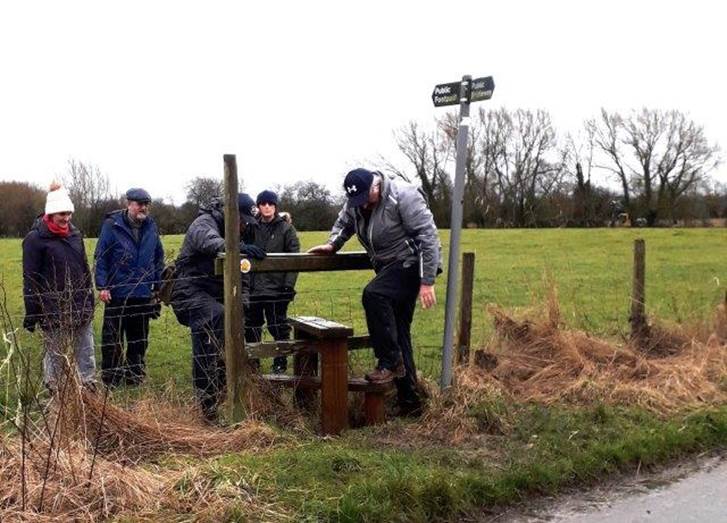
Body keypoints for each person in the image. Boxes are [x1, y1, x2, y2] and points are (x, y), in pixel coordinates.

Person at [308, 168, 441, 416]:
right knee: (400, 332)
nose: (362, 207)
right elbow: (344, 222)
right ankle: (410, 403)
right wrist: (332, 243)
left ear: (376, 186)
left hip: (409, 264)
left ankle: (389, 362)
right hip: (386, 268)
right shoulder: (356, 201)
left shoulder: (403, 196)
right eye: (356, 202)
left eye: (365, 200)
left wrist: (427, 281)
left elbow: (428, 236)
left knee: (374, 294)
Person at [170, 194, 266, 421]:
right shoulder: (203, 223)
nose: (243, 226)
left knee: (232, 330)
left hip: (219, 295)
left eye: (247, 223)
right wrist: (237, 247)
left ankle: (227, 394)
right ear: (229, 214)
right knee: (213, 325)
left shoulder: (243, 232)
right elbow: (209, 242)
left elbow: (242, 275)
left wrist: (241, 307)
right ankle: (207, 405)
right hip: (190, 291)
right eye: (241, 221)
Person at [22, 183, 97, 392]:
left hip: (80, 302)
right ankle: (54, 390)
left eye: (69, 214)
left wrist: (89, 298)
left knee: (85, 351)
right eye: (62, 214)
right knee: (54, 353)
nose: (66, 219)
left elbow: (84, 267)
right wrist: (32, 311)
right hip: (51, 305)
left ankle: (88, 388)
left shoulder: (75, 234)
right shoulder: (35, 239)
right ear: (51, 213)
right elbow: (30, 277)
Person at [94, 188, 164, 387]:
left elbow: (158, 257)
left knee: (139, 339)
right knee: (112, 338)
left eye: (146, 204)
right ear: (128, 204)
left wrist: (157, 286)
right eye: (139, 203)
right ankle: (111, 378)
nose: (143, 208)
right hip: (117, 293)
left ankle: (134, 376)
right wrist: (103, 286)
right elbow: (101, 257)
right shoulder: (112, 225)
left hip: (142, 293)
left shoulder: (151, 226)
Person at [245, 190, 300, 374]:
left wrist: (288, 286)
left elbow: (295, 258)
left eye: (270, 203)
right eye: (263, 204)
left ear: (275, 206)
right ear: (258, 206)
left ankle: (280, 361)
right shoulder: (251, 227)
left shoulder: (286, 229)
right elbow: (240, 247)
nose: (267, 207)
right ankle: (254, 362)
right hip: (253, 287)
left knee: (278, 326)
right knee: (252, 326)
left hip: (277, 288)